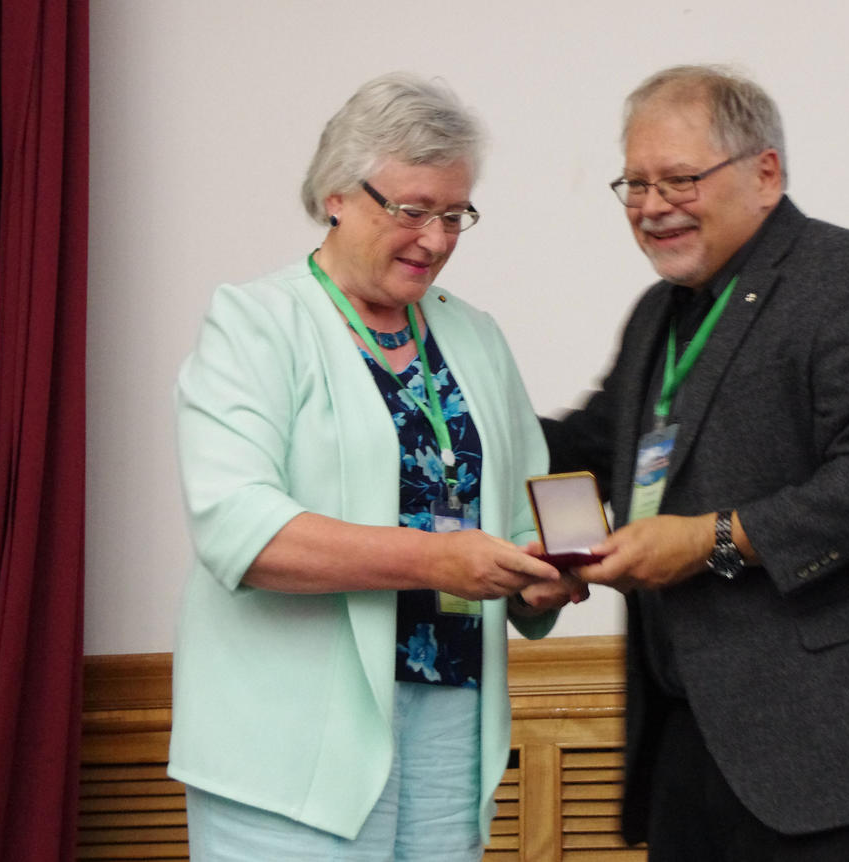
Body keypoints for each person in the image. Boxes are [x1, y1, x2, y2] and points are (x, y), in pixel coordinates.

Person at [543, 65, 849, 861]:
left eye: (679, 179)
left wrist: (709, 540)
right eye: (635, 185)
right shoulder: (661, 315)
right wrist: (445, 404)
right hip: (693, 744)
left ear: (765, 172)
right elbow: (587, 447)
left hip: (848, 753)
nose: (652, 208)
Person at [170, 72, 586, 861]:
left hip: (449, 731)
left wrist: (552, 571)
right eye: (411, 210)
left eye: (454, 214)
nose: (435, 239)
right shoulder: (256, 323)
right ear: (336, 193)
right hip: (290, 743)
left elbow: (533, 508)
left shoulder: (475, 337)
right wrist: (439, 559)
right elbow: (240, 532)